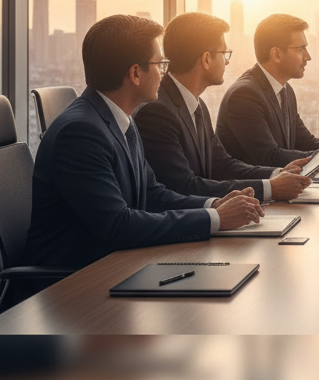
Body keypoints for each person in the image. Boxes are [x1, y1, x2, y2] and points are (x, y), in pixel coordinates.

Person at [26, 14, 263, 272]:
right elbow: (118, 226)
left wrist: (213, 204)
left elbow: (152, 194)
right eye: (160, 63)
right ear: (136, 74)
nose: (164, 72)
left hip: (117, 267)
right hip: (72, 287)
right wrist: (215, 219)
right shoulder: (80, 133)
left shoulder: (120, 119)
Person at [136, 12, 314, 201]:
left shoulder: (197, 105)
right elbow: (183, 186)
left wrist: (277, 173)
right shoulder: (157, 113)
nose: (227, 61)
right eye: (224, 53)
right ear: (206, 59)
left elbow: (222, 164)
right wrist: (269, 188)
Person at [216, 13, 319, 168]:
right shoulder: (244, 95)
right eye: (301, 49)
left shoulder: (285, 90)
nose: (308, 57)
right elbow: (270, 157)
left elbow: (306, 142)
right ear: (276, 54)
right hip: (252, 193)